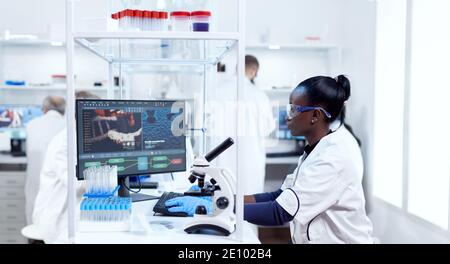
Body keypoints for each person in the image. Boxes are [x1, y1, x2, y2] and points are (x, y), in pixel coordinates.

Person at [165, 75, 374, 244]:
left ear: (315, 116)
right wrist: (220, 199)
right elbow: (280, 195)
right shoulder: (317, 148)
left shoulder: (333, 156)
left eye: (294, 109)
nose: (287, 116)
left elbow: (279, 212)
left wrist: (215, 207)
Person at [32, 91, 99, 243]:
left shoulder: (85, 138)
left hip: (77, 210)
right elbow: (76, 185)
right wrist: (109, 176)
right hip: (57, 217)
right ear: (80, 114)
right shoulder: (62, 144)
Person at [212, 55, 276, 195]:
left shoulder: (217, 92)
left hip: (221, 161)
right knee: (248, 205)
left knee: (222, 202)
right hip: (250, 161)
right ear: (253, 70)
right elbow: (268, 128)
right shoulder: (259, 95)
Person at [24, 96, 66, 225]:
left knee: (34, 226)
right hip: (58, 187)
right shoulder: (67, 125)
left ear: (44, 109)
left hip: (34, 184)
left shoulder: (31, 124)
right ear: (64, 111)